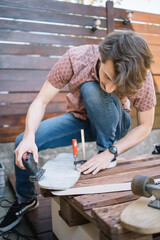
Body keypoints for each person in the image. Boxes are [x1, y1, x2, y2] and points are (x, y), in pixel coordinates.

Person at [0, 31, 156, 232]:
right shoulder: (76, 58)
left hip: (115, 125)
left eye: (117, 84)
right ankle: (25, 199)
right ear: (101, 57)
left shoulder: (140, 75)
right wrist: (29, 137)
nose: (109, 88)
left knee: (94, 90)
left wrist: (111, 153)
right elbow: (41, 100)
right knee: (22, 141)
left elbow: (145, 126)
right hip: (80, 119)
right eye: (107, 76)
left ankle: (105, 153)